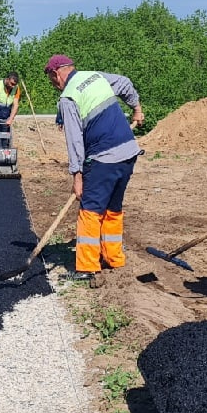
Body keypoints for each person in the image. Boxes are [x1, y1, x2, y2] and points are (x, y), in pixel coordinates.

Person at [45, 54, 145, 287]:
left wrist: (77, 176)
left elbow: (74, 141)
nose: (53, 84)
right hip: (129, 153)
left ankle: (88, 267)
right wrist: (137, 109)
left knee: (90, 211)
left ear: (56, 73)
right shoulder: (95, 77)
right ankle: (114, 258)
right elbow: (126, 83)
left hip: (104, 158)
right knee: (113, 209)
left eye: (51, 79)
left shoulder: (68, 98)